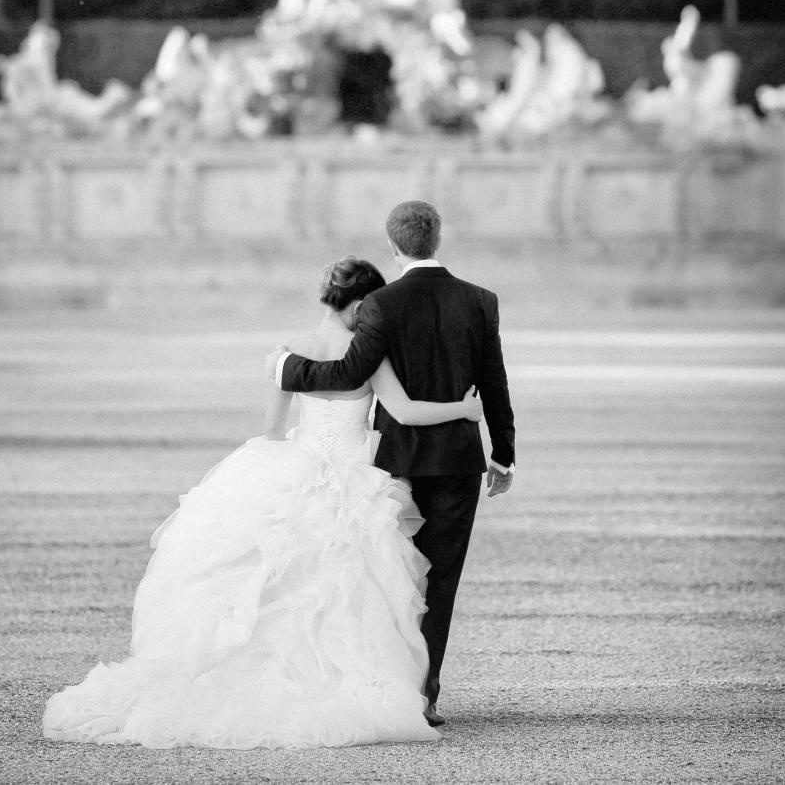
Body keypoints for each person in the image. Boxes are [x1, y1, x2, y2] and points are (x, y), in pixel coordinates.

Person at [42, 257, 482, 750]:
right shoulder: (369, 353)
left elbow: (272, 431)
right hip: (354, 479)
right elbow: (403, 411)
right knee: (352, 586)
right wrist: (464, 408)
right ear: (360, 305)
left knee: (273, 579)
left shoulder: (289, 353)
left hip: (299, 463)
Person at [268, 200, 515, 726]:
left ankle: (388, 685)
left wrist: (289, 369)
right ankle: (422, 697)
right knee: (439, 580)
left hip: (395, 463)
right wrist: (504, 454)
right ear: (438, 239)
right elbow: (494, 380)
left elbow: (350, 372)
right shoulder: (481, 300)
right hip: (458, 460)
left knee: (392, 580)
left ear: (395, 245)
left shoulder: (380, 303)